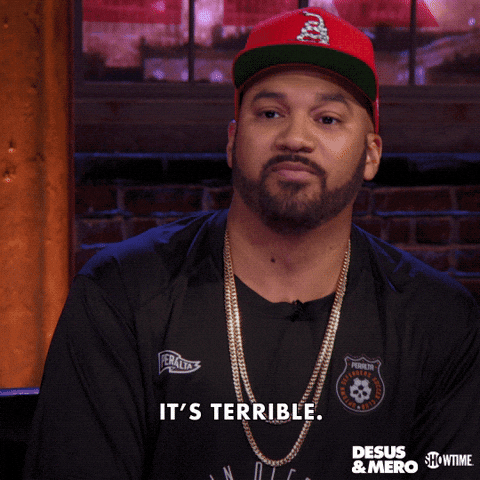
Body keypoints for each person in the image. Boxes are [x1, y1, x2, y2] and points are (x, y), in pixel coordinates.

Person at [24, 8, 479, 480]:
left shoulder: (438, 320)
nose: (295, 138)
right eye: (270, 113)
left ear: (370, 154)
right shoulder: (121, 294)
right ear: (232, 140)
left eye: (327, 119)